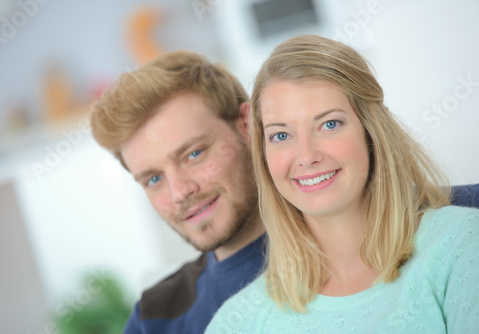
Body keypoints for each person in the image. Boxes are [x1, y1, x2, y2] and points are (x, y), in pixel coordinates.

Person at [206, 34, 479, 333]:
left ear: (371, 131)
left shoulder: (462, 247)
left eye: (329, 124)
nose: (307, 156)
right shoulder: (237, 322)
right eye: (281, 136)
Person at [90, 50, 266, 333]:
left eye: (193, 154)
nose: (180, 192)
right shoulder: (153, 316)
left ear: (246, 126)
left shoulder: (342, 254)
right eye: (154, 179)